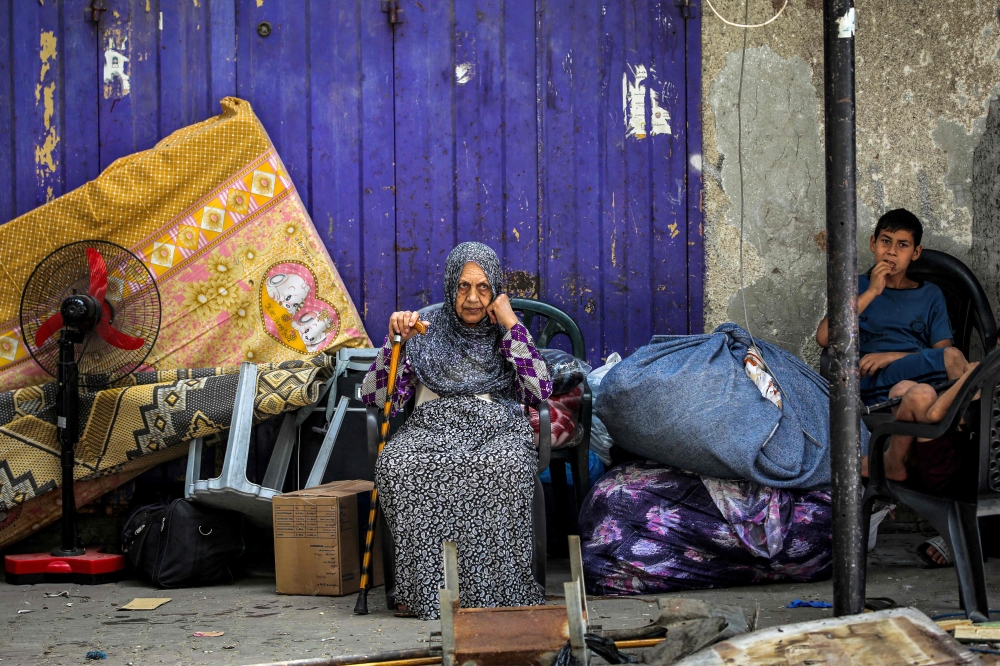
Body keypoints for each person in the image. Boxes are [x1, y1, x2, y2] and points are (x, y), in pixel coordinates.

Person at [360, 242, 552, 620]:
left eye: (483, 287)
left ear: (495, 290)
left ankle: (497, 592)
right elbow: (375, 396)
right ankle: (421, 591)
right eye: (463, 287)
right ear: (450, 287)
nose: (473, 298)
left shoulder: (506, 337)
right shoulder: (424, 335)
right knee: (399, 464)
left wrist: (512, 322)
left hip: (496, 429)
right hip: (430, 428)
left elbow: (540, 390)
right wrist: (395, 342)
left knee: (506, 465)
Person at [816, 208, 967, 405]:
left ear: (916, 252)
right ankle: (969, 424)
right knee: (958, 364)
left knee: (922, 387)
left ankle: (958, 428)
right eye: (885, 241)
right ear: (873, 243)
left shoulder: (931, 295)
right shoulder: (854, 286)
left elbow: (943, 354)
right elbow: (824, 337)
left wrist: (892, 357)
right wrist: (872, 292)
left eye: (902, 245)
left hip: (918, 379)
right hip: (871, 379)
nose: (891, 251)